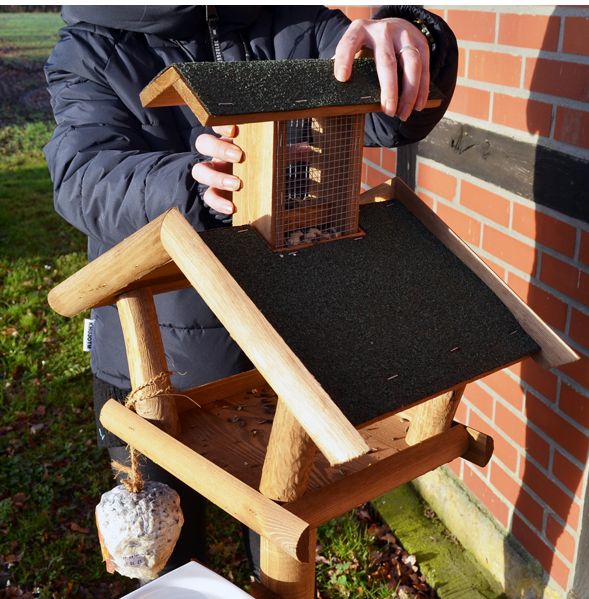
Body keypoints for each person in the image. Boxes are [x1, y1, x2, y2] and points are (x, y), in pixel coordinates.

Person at [44, 5, 458, 578]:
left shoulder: (289, 20)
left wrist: (413, 40)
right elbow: (84, 174)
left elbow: (388, 119)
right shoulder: (92, 44)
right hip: (156, 358)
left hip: (280, 340)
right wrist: (191, 182)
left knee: (277, 523)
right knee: (164, 543)